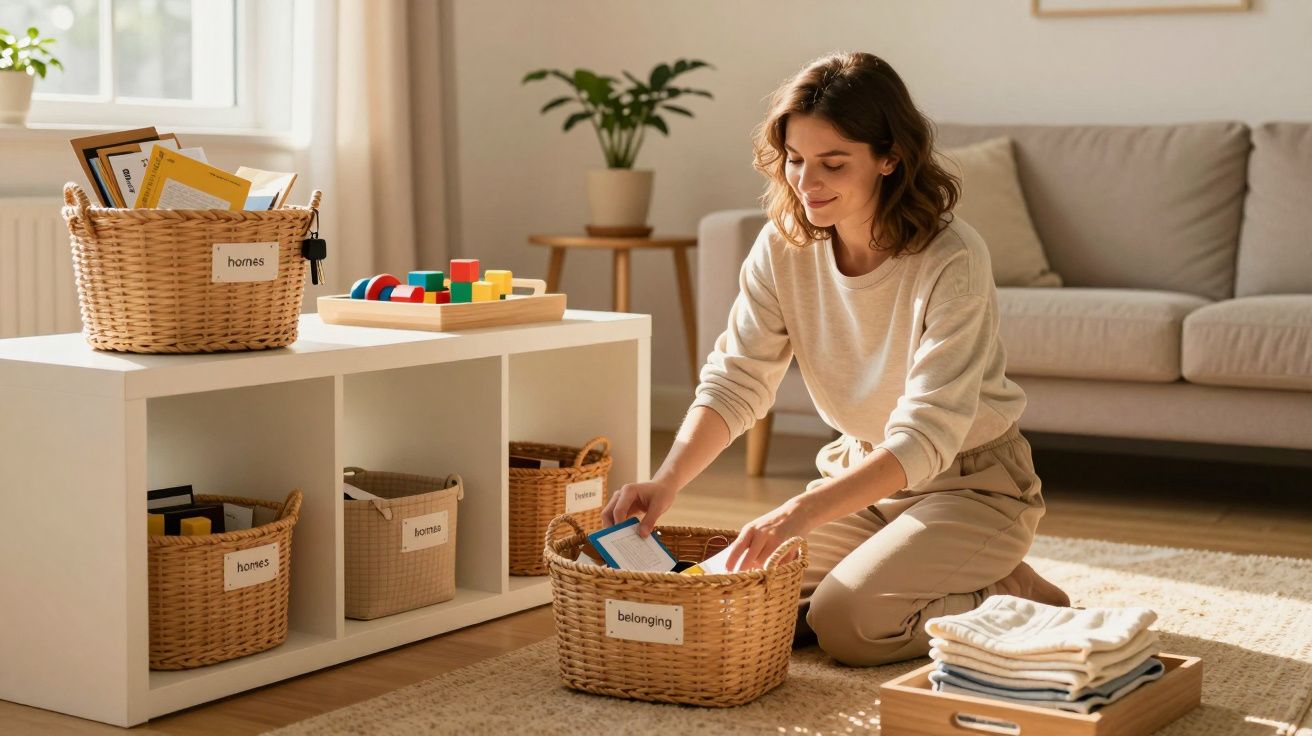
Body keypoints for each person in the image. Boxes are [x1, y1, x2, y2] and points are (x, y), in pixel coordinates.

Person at [601, 51, 1070, 667]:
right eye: (795, 160)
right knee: (737, 597)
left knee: (848, 624)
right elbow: (737, 379)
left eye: (833, 163)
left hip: (973, 486)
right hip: (864, 482)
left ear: (889, 157)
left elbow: (928, 436)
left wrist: (793, 513)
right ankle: (927, 575)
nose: (807, 182)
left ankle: (1012, 594)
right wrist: (666, 482)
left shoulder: (952, 257)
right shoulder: (782, 246)